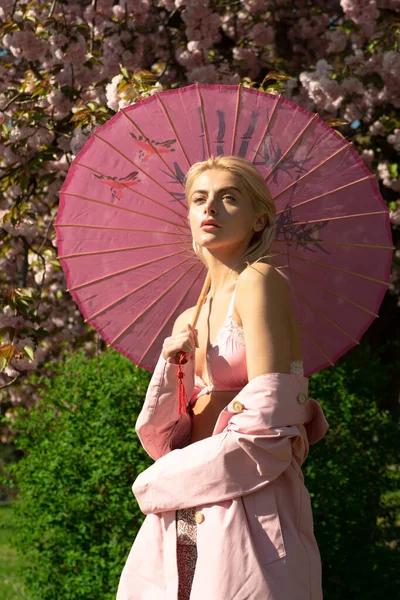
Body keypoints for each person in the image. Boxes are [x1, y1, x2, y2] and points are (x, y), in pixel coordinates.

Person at [116, 155, 329, 600]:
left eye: (229, 198)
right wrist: (172, 364)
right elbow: (160, 437)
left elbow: (271, 410)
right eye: (199, 199)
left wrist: (163, 480)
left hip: (247, 491)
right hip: (186, 501)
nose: (210, 208)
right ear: (190, 217)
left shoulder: (259, 280)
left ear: (259, 219)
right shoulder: (188, 318)